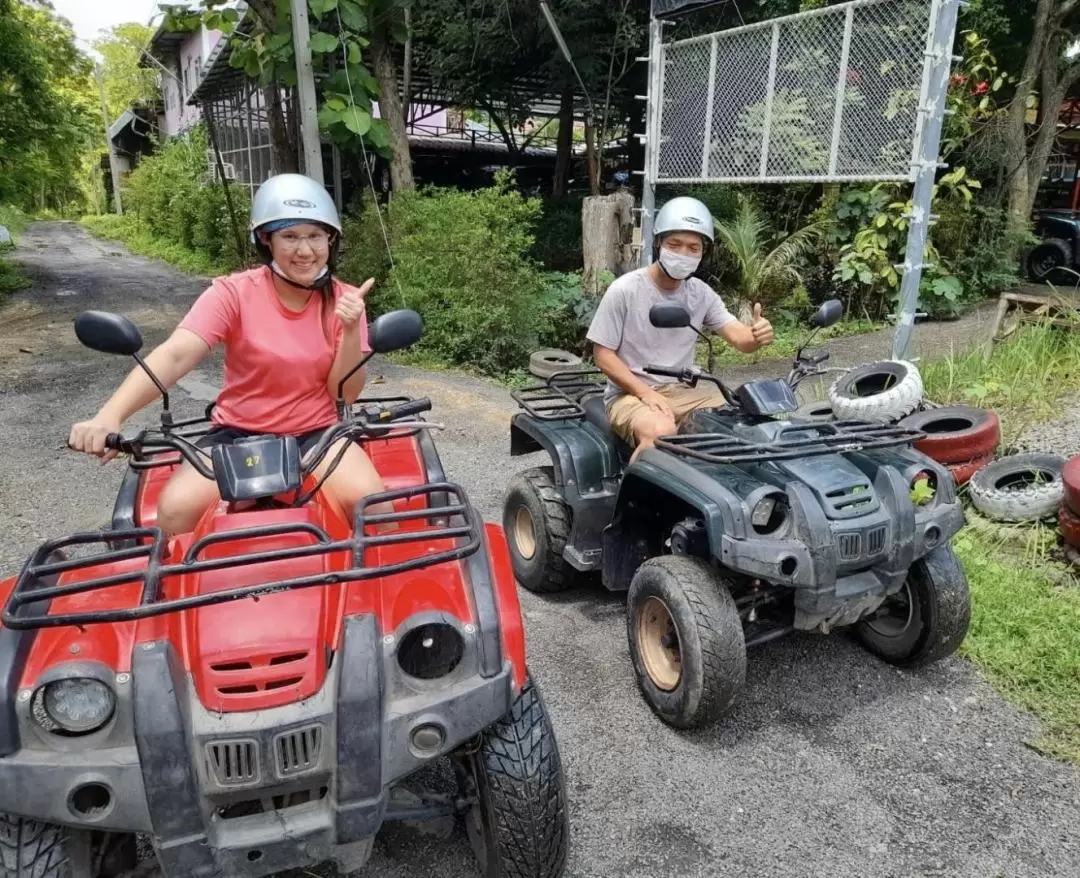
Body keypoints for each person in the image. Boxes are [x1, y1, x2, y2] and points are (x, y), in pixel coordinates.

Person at [68, 173, 390, 536]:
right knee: (175, 510)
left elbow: (343, 395)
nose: (305, 251)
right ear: (266, 240)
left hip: (316, 434)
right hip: (238, 435)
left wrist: (349, 329)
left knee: (374, 507)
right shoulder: (233, 293)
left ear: (331, 238)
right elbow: (176, 354)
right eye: (290, 236)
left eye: (315, 235)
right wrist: (110, 415)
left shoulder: (347, 300)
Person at [586, 195, 775, 461]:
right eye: (675, 244)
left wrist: (756, 335)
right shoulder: (625, 290)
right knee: (661, 433)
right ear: (658, 243)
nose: (683, 253)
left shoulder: (701, 294)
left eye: (693, 247)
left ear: (703, 253)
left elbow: (739, 337)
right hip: (629, 394)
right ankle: (637, 499)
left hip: (682, 391)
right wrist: (645, 392)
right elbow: (603, 355)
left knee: (740, 424)